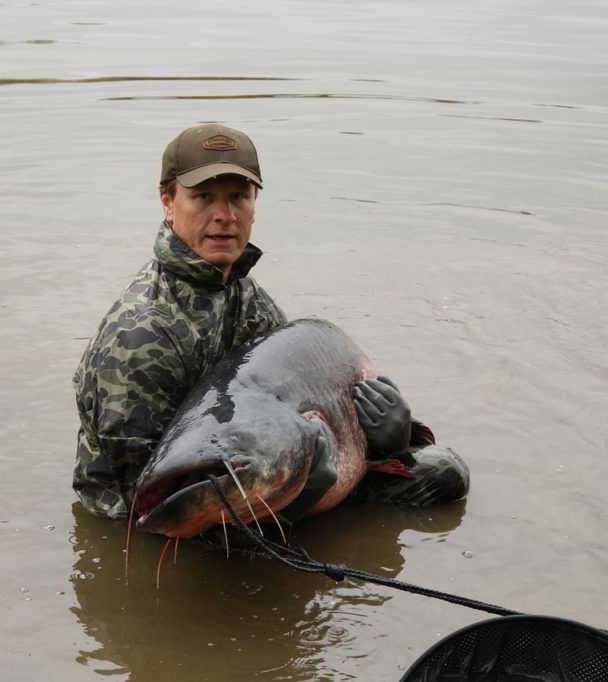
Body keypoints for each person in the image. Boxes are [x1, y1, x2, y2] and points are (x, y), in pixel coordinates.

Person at [72, 123, 468, 521]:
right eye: (204, 197)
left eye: (239, 197)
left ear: (254, 205)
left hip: (255, 476)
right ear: (167, 202)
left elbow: (284, 410)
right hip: (167, 515)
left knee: (442, 473)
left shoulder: (246, 296)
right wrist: (299, 498)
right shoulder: (140, 335)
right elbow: (143, 504)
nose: (225, 216)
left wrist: (391, 440)